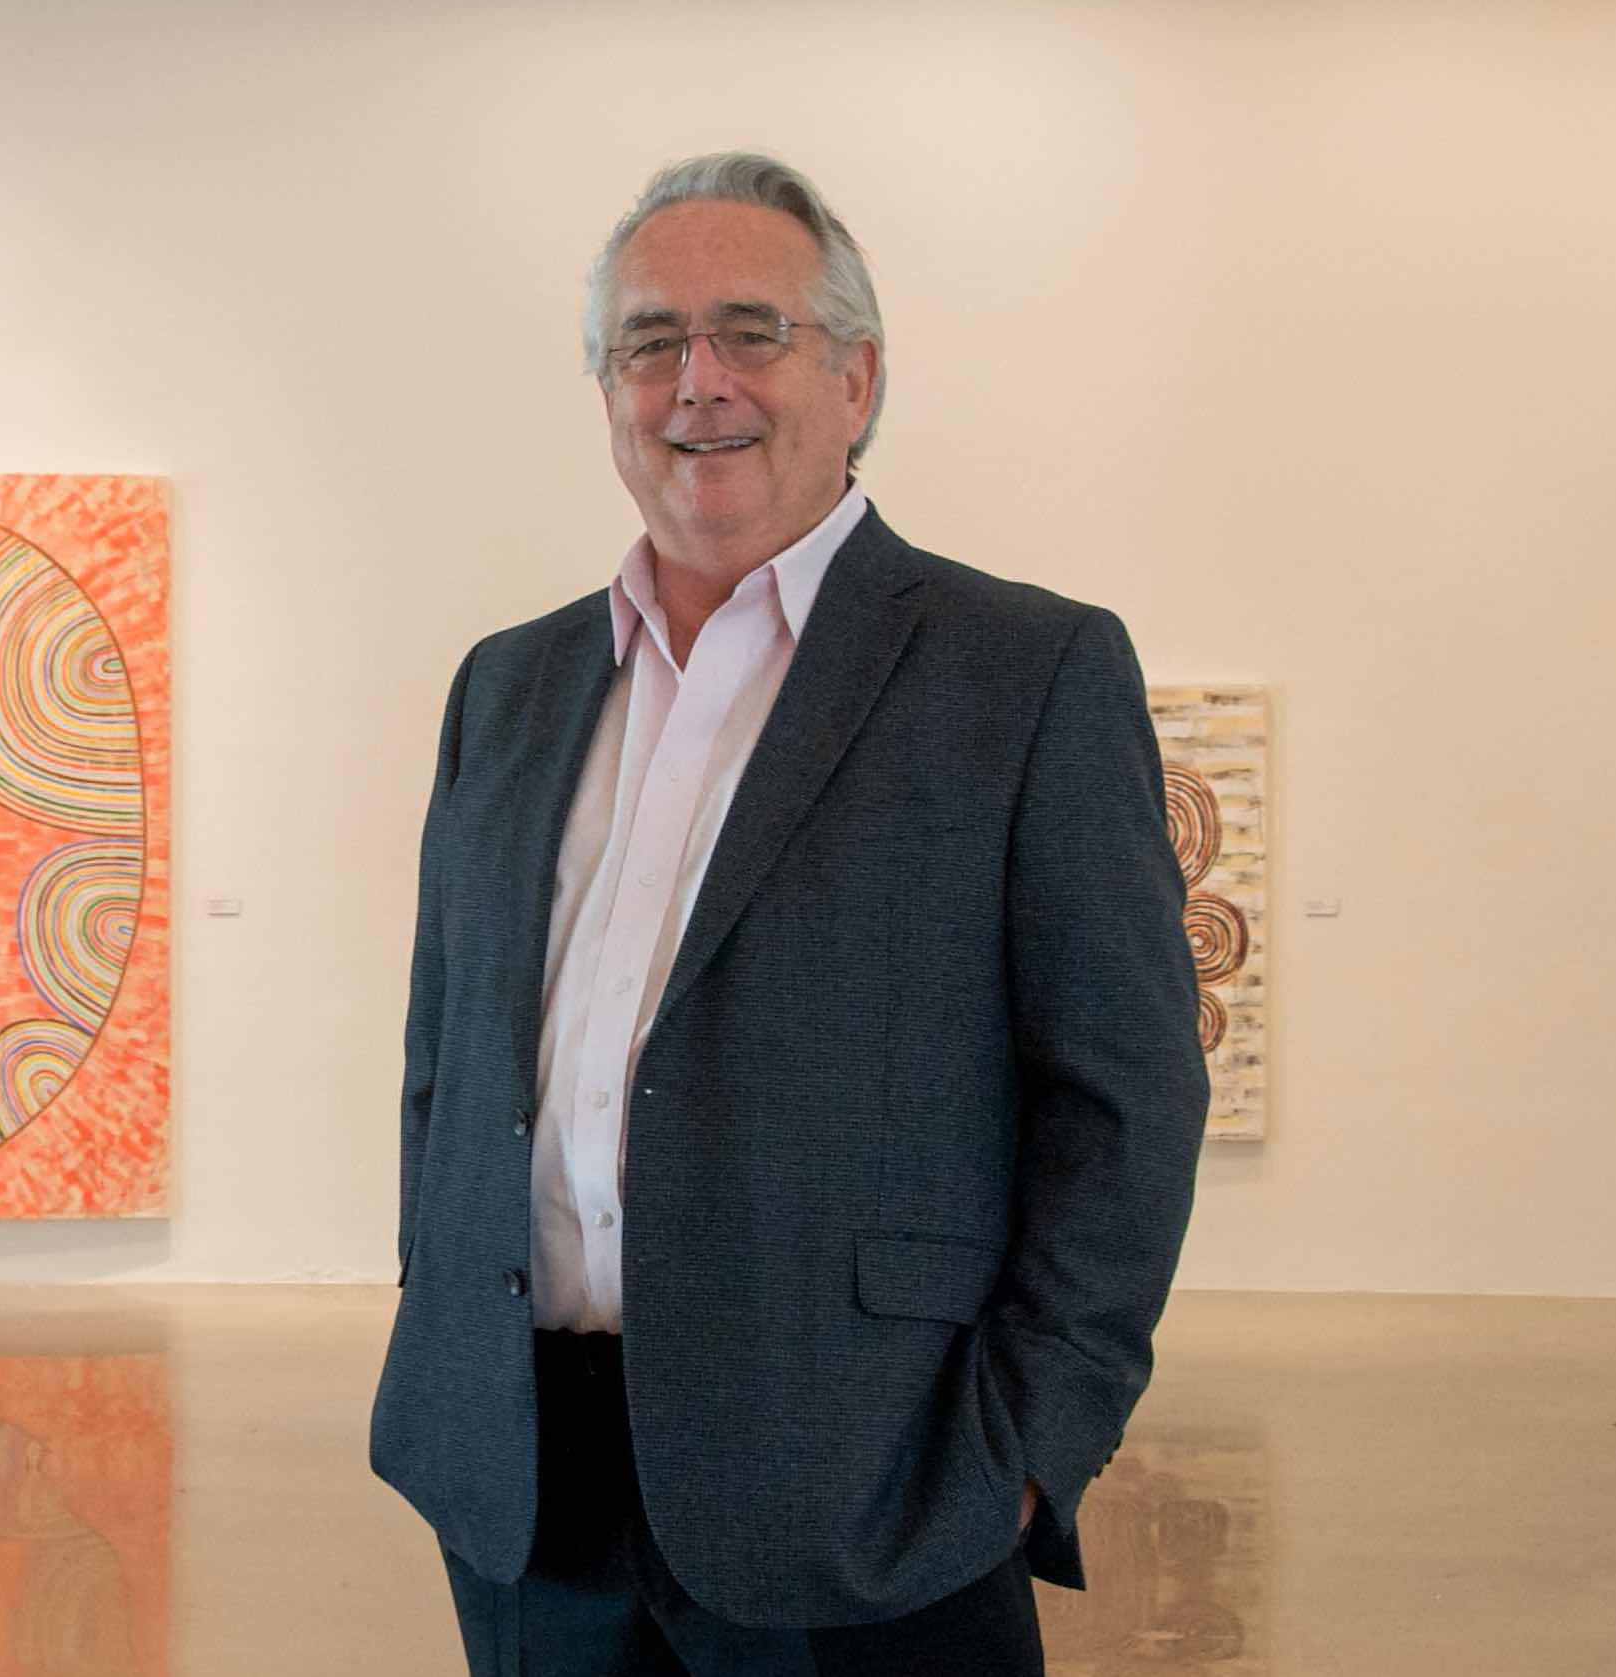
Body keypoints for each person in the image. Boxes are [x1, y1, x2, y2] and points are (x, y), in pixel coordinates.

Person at [371, 151, 1207, 1675]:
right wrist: (440, 1336)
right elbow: (446, 1060)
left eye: (750, 331)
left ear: (857, 376)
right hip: (522, 1491)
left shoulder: (1018, 672)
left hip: (867, 1482)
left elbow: (1125, 1100)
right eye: (648, 340)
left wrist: (1024, 1447)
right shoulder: (509, 684)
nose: (698, 382)